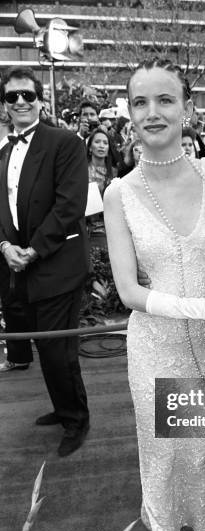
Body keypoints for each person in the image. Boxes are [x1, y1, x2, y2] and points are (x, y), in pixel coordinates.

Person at [104, 57, 205, 531]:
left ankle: (187, 522)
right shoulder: (120, 193)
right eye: (141, 102)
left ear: (187, 106)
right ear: (129, 113)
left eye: (165, 100)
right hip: (156, 346)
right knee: (162, 447)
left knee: (201, 445)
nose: (152, 112)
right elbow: (128, 292)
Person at [0, 66, 90, 457]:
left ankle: (77, 420)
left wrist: (32, 250)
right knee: (41, 345)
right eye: (11, 96)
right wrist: (5, 246)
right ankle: (62, 407)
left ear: (40, 100)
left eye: (27, 95)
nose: (20, 101)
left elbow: (71, 205)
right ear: (4, 104)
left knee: (59, 351)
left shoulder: (65, 142)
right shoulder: (3, 152)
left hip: (56, 264)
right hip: (19, 267)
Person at [0, 103, 33, 373]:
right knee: (10, 299)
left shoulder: (23, 148)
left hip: (27, 237)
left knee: (19, 297)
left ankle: (25, 354)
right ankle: (18, 356)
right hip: (4, 240)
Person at [87, 127, 117, 196]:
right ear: (90, 148)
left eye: (105, 143)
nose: (101, 146)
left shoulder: (114, 172)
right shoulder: (82, 170)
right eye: (97, 142)